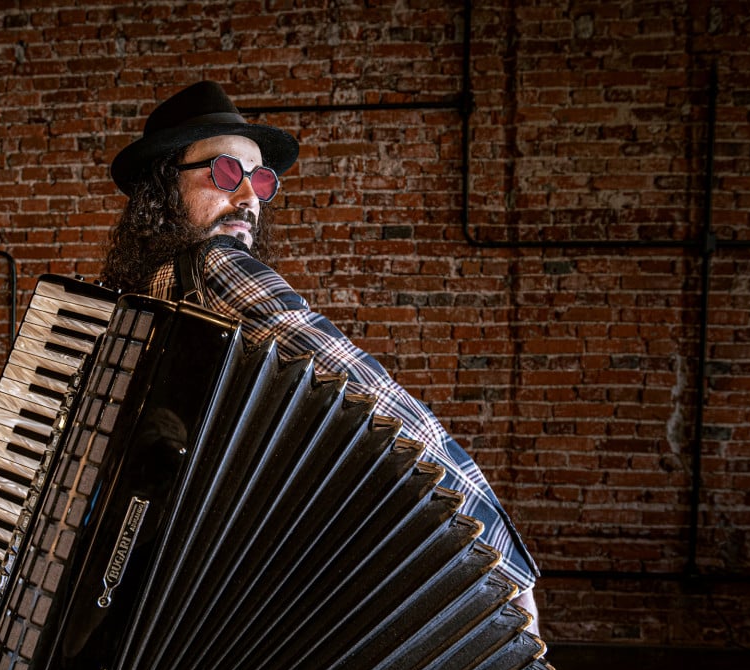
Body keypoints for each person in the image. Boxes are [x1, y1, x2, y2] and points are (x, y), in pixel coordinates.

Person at [100, 80, 540, 627]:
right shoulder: (216, 267)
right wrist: (497, 549)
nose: (249, 198)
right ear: (163, 188)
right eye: (225, 174)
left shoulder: (137, 297)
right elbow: (372, 396)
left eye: (260, 180)